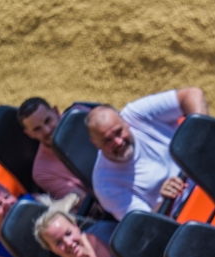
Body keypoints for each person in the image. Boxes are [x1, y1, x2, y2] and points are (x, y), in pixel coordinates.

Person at [86, 88, 208, 220]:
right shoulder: (106, 184)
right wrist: (165, 200)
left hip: (208, 173)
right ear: (96, 144)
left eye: (119, 132)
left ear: (124, 121)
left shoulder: (136, 114)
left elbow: (191, 94)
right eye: (107, 141)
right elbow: (145, 225)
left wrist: (200, 135)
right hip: (187, 215)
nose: (118, 142)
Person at [16, 98, 88, 203]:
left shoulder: (80, 114)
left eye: (48, 121)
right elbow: (85, 202)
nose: (47, 130)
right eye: (37, 129)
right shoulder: (42, 172)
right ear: (30, 134)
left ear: (56, 112)